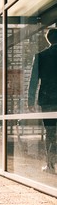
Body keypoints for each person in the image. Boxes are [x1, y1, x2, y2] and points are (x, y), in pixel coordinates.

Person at [28, 28, 57, 174]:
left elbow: (33, 80)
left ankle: (50, 165)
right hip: (49, 100)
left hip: (48, 100)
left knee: (50, 132)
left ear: (48, 40)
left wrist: (30, 101)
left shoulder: (41, 56)